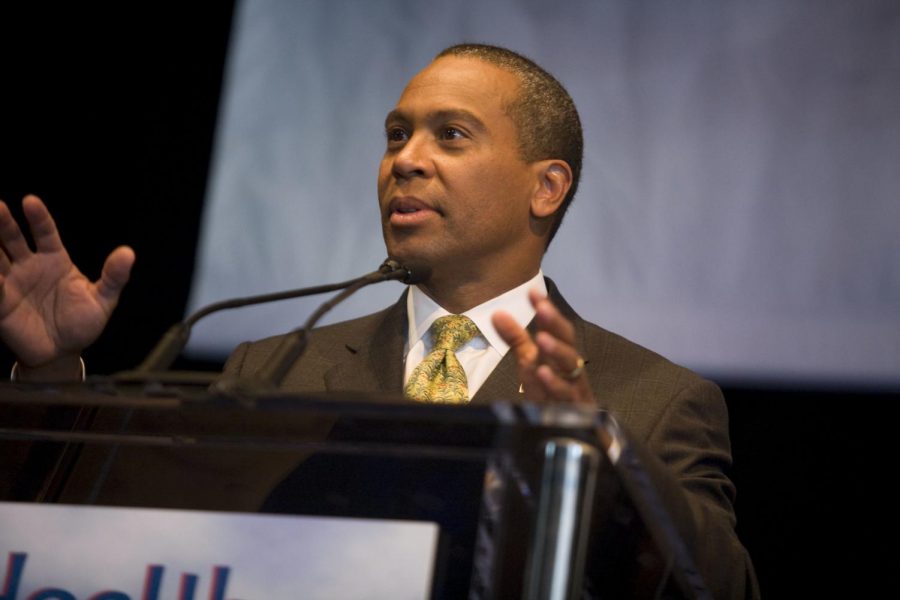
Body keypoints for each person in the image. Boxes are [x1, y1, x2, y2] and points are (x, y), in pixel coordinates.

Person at [0, 44, 758, 597]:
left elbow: (721, 589)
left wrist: (595, 443)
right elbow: (120, 545)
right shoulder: (271, 368)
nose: (406, 159)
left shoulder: (654, 399)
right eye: (397, 135)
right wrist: (49, 376)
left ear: (547, 187)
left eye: (449, 136)